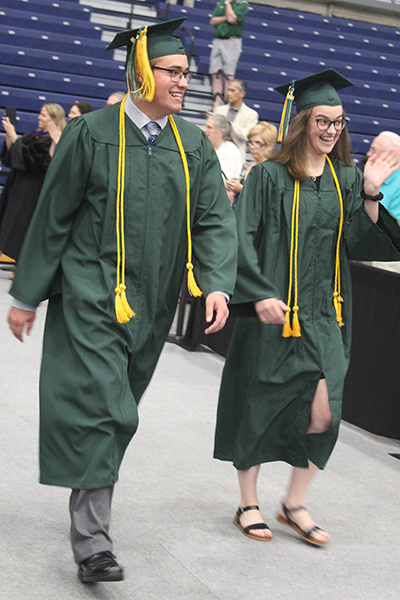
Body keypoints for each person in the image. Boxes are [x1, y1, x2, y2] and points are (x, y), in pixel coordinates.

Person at [7, 18, 237, 584]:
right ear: (142, 71)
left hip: (153, 305)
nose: (185, 82)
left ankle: (92, 527)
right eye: (173, 72)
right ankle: (93, 544)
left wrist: (217, 282)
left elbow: (211, 221)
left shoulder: (192, 147)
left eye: (186, 73)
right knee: (105, 407)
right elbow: (53, 217)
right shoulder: (93, 134)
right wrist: (28, 295)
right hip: (92, 293)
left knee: (118, 414)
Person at [213, 69, 400, 546]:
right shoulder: (270, 176)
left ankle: (293, 502)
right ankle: (248, 502)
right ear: (302, 123)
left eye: (338, 121)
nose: (332, 129)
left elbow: (360, 242)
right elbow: (242, 236)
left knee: (325, 414)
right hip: (274, 310)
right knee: (261, 401)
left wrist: (372, 192)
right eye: (323, 120)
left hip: (326, 314)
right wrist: (258, 293)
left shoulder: (347, 179)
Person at [0, 103, 66, 263]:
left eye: (43, 115)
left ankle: (21, 264)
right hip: (17, 186)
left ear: (54, 119)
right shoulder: (34, 135)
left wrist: (15, 137)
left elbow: (31, 161)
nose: (39, 117)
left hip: (32, 190)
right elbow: (13, 157)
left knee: (23, 226)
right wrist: (10, 137)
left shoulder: (53, 140)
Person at [209, 0, 249, 111]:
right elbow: (213, 21)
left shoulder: (242, 4)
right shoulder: (221, 2)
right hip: (218, 40)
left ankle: (227, 103)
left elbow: (233, 19)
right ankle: (216, 103)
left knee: (228, 74)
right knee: (215, 73)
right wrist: (226, 17)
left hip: (232, 41)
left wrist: (228, 5)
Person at [225, 121, 277, 205]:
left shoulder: (272, 170)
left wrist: (241, 189)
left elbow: (266, 198)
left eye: (258, 143)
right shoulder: (247, 165)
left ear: (270, 146)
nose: (252, 147)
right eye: (251, 142)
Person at [215, 79, 258, 163]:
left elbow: (247, 135)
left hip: (236, 158)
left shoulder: (251, 114)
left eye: (232, 91)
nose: (228, 93)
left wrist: (227, 123)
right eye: (228, 90)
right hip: (217, 154)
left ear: (242, 93)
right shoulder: (219, 110)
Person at [205, 113, 242, 204]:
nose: (205, 130)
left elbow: (225, 184)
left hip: (218, 203)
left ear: (221, 132)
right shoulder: (206, 147)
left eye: (210, 128)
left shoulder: (230, 150)